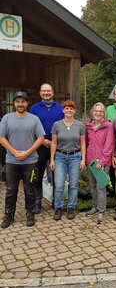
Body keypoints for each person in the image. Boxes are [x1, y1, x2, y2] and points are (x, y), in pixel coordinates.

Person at [0, 91, 45, 228]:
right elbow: (2, 138)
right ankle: (9, 214)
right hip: (12, 162)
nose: (20, 104)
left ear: (27, 103)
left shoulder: (34, 119)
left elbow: (41, 138)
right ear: (14, 103)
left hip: (30, 162)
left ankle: (30, 213)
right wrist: (14, 152)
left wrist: (27, 152)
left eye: (23, 101)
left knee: (29, 189)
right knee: (11, 189)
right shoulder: (7, 118)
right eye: (18, 101)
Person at [30, 83, 64, 213]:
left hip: (57, 147)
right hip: (40, 146)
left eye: (48, 91)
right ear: (40, 93)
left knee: (57, 175)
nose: (46, 93)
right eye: (43, 91)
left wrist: (55, 141)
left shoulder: (60, 108)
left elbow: (64, 125)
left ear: (53, 92)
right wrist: (43, 140)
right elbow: (31, 127)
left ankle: (57, 200)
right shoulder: (34, 108)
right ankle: (37, 202)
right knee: (37, 174)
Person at [50, 100, 85, 220]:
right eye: (66, 108)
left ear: (74, 111)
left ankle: (71, 207)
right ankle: (58, 208)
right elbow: (54, 143)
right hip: (60, 157)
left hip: (75, 157)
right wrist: (52, 160)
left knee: (74, 185)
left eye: (71, 108)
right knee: (59, 184)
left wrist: (83, 159)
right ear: (63, 110)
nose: (69, 110)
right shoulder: (57, 125)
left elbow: (83, 143)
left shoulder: (80, 125)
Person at [86, 103, 114, 224]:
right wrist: (86, 160)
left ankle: (101, 210)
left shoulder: (108, 126)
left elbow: (109, 145)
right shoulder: (88, 126)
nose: (98, 113)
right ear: (92, 112)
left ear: (104, 113)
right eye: (96, 111)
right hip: (90, 162)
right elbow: (86, 143)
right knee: (92, 186)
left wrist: (102, 161)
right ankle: (95, 207)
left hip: (103, 162)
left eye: (101, 111)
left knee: (101, 187)